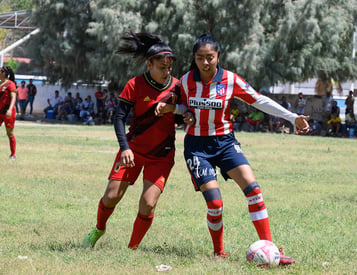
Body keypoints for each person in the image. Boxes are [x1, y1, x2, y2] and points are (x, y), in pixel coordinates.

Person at [158, 34, 309, 263]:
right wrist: (181, 113)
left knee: (254, 191)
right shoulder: (186, 81)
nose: (206, 63)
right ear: (194, 58)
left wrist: (292, 117)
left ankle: (271, 250)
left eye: (210, 57)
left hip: (226, 143)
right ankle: (218, 251)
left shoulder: (230, 80)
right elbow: (176, 106)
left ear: (218, 56)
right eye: (200, 58)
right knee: (216, 204)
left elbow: (258, 100)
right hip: (197, 148)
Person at [82, 32, 189, 250]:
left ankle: (132, 249)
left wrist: (184, 115)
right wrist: (124, 148)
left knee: (148, 204)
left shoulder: (179, 87)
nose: (166, 71)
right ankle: (99, 228)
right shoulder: (135, 84)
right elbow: (119, 117)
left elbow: (184, 113)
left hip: (161, 155)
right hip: (133, 150)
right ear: (149, 65)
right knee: (111, 196)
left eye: (169, 67)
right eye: (161, 67)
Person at [0, 66, 18, 160]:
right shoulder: (0, 84)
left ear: (4, 73)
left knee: (10, 134)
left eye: (0, 71)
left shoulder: (10, 84)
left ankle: (13, 154)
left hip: (7, 112)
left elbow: (13, 97)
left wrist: (10, 109)